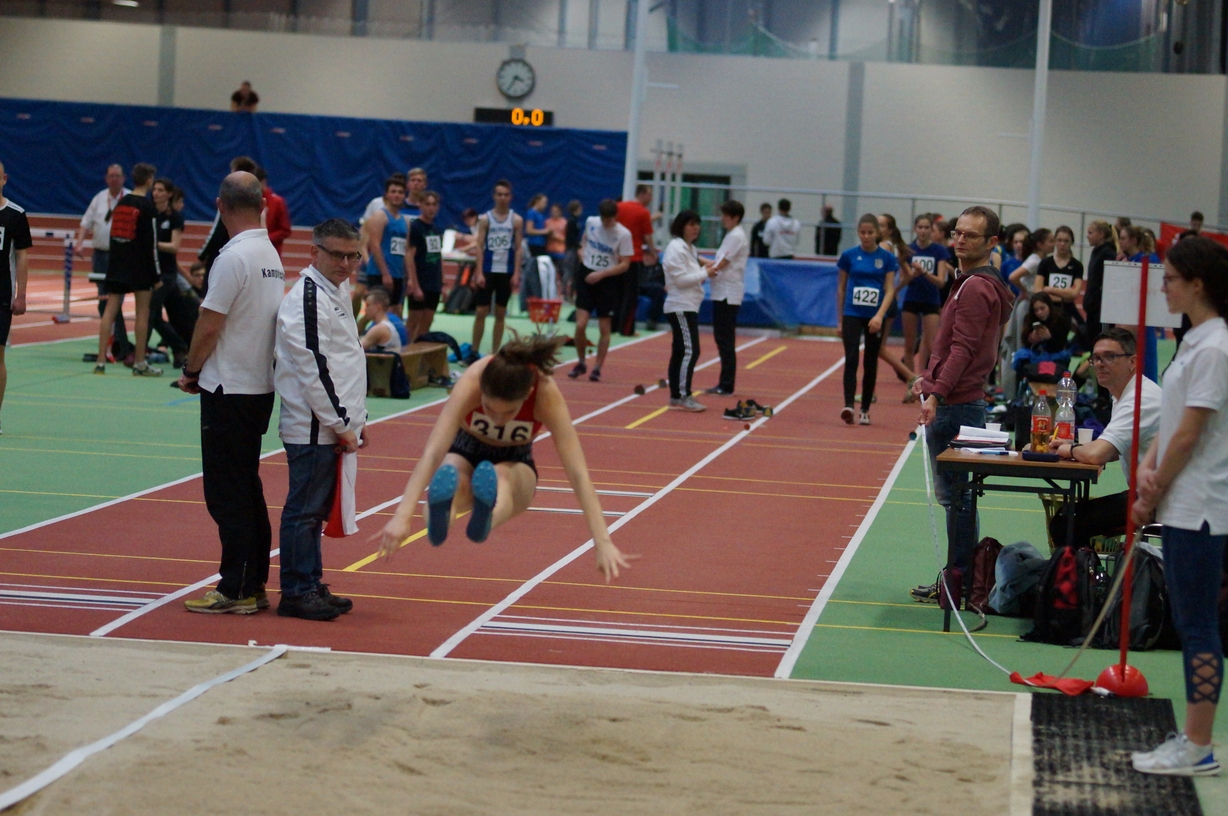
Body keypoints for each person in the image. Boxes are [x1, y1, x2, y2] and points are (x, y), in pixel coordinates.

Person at [373, 334, 633, 583]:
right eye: (488, 408)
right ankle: (442, 515)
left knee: (501, 477)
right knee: (452, 474)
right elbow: (432, 452)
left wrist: (603, 541)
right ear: (482, 388)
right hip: (465, 448)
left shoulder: (544, 392)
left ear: (527, 393)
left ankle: (485, 515)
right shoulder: (472, 380)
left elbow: (577, 472)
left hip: (515, 459)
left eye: (509, 412)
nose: (498, 420)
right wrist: (402, 516)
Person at [1130, 236, 1228, 777]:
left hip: (1201, 505)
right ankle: (1193, 738)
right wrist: (1147, 466)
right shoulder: (1193, 341)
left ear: (1196, 283)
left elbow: (1190, 435)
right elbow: (1171, 421)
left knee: (1197, 625)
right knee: (1193, 621)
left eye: (1169, 279)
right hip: (1179, 499)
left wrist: (1154, 488)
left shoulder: (1215, 347)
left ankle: (1198, 744)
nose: (1163, 287)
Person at [179, 171, 286, 615]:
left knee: (227, 493)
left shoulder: (233, 257)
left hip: (228, 386)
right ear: (262, 205)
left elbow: (210, 323)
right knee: (247, 486)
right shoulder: (270, 254)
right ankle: (253, 581)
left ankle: (236, 586)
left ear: (220, 206)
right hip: (258, 385)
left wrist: (191, 369)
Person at [910, 206, 1013, 603]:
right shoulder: (975, 282)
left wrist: (937, 394)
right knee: (960, 498)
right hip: (960, 399)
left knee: (957, 499)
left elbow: (964, 349)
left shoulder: (975, 288)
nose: (960, 240)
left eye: (971, 235)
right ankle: (962, 578)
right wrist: (930, 379)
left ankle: (960, 581)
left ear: (992, 242)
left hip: (957, 405)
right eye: (957, 233)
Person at [274, 219, 366, 621]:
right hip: (313, 427)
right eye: (337, 255)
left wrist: (357, 418)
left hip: (333, 423)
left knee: (314, 512)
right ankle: (296, 591)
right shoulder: (307, 297)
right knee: (304, 511)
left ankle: (310, 582)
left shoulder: (337, 289)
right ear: (314, 252)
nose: (346, 263)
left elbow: (346, 359)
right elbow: (313, 368)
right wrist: (342, 424)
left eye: (352, 255)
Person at [1048, 328, 1160, 549]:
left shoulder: (1140, 399)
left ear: (1133, 362)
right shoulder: (1124, 394)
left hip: (1164, 501)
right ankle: (1088, 569)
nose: (1100, 364)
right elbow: (1111, 449)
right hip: (1151, 494)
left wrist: (1070, 449)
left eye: (1110, 357)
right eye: (1096, 358)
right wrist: (1084, 450)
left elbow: (1099, 454)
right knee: (1070, 517)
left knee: (1066, 522)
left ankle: (1085, 571)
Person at [94, 162, 161, 377]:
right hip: (140, 267)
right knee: (142, 312)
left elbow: (114, 236)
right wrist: (156, 275)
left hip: (117, 264)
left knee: (110, 310)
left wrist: (113, 266)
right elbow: (151, 245)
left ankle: (100, 361)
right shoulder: (148, 208)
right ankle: (139, 363)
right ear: (149, 180)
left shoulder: (121, 203)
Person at [836, 214, 898, 426]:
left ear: (877, 233)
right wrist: (840, 320)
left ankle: (865, 409)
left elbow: (890, 290)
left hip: (875, 316)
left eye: (870, 232)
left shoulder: (887, 258)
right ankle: (848, 405)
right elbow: (841, 288)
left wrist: (880, 315)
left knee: (870, 361)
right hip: (852, 313)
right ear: (858, 232)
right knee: (851, 357)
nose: (866, 236)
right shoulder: (849, 256)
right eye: (862, 232)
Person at [568, 199, 632, 383]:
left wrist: (602, 274)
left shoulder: (623, 234)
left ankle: (597, 368)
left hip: (607, 281)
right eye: (603, 219)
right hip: (586, 275)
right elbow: (584, 240)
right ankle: (581, 362)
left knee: (604, 327)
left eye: (609, 220)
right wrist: (582, 252)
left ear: (615, 216)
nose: (606, 223)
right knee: (580, 324)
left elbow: (625, 264)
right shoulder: (591, 222)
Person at [75, 164, 130, 351]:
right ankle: (112, 339)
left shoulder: (129, 198)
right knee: (104, 299)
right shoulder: (99, 198)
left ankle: (120, 342)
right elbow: (85, 222)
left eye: (118, 176)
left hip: (121, 256)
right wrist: (79, 243)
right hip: (100, 255)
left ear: (123, 178)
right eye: (111, 176)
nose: (114, 179)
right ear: (106, 179)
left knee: (116, 300)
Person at [662, 210, 713, 412]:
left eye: (697, 224)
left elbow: (692, 274)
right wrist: (705, 272)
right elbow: (681, 280)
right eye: (691, 224)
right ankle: (684, 395)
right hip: (680, 305)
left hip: (689, 304)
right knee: (691, 350)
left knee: (680, 351)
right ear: (681, 226)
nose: (696, 228)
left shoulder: (690, 249)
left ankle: (676, 396)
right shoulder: (676, 248)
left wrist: (705, 271)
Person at [471, 180, 523, 359]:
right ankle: (474, 351)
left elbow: (518, 248)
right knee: (481, 311)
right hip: (487, 270)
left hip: (506, 271)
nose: (502, 198)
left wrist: (516, 273)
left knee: (500, 313)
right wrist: (478, 272)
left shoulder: (516, 220)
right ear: (494, 196)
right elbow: (479, 246)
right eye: (499, 194)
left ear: (510, 197)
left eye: (506, 195)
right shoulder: (485, 219)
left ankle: (495, 353)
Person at [703, 200, 749, 396]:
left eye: (725, 215)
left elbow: (720, 264)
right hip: (722, 291)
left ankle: (727, 383)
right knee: (722, 338)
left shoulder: (736, 236)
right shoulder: (731, 235)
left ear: (735, 217)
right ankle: (725, 382)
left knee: (725, 339)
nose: (722, 218)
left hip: (728, 293)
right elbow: (717, 262)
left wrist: (699, 268)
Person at [0, 161, 32, 436]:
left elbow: (21, 257)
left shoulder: (15, 214)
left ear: (4, 179)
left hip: (1, 296)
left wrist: (21, 294)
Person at [198, 156, 258, 292]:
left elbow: (217, 230)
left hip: (225, 253)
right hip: (248, 254)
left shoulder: (228, 199)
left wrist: (203, 254)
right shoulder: (257, 200)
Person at [901, 213, 951, 379]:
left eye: (926, 227)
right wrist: (912, 275)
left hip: (931, 300)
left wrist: (924, 272)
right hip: (911, 299)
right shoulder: (908, 250)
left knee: (933, 346)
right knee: (909, 346)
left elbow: (941, 282)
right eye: (920, 227)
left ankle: (935, 382)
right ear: (915, 229)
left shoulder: (939, 251)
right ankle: (911, 382)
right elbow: (902, 281)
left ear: (931, 230)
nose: (923, 231)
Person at [148, 178, 189, 367]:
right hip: (150, 272)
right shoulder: (149, 213)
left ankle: (178, 347)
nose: (156, 193)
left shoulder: (174, 217)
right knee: (171, 315)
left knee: (151, 312)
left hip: (166, 273)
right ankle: (179, 348)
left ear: (169, 194)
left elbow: (174, 246)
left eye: (160, 190)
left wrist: (153, 244)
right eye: (154, 189)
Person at [614, 184, 656, 336]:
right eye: (649, 194)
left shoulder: (619, 207)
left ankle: (614, 325)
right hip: (633, 257)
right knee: (631, 295)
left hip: (617, 257)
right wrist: (653, 252)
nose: (651, 198)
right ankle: (627, 329)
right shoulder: (643, 212)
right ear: (642, 194)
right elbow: (647, 236)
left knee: (617, 292)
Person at [365, 175, 410, 309]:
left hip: (398, 273)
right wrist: (385, 274)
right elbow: (375, 245)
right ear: (387, 195)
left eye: (400, 192)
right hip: (379, 273)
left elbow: (406, 250)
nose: (397, 195)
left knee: (394, 310)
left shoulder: (405, 221)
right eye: (393, 192)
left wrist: (409, 277)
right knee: (376, 311)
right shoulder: (380, 216)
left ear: (404, 195)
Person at [406, 190, 445, 342]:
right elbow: (410, 256)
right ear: (420, 205)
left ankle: (419, 351)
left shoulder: (436, 229)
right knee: (413, 321)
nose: (431, 208)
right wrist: (414, 284)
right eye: (427, 204)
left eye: (434, 204)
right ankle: (405, 351)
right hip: (421, 280)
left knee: (427, 322)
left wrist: (442, 283)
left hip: (433, 283)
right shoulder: (415, 227)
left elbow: (438, 257)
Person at [1037, 225, 1085, 332]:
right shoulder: (1045, 263)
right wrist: (1064, 295)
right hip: (1048, 307)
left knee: (1083, 329)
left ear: (1071, 243)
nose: (1062, 244)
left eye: (1066, 241)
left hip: (1067, 308)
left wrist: (1049, 289)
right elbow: (1038, 290)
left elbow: (1074, 294)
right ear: (1055, 241)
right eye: (1059, 240)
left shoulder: (1077, 265)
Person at [254, 166, 291, 260]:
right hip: (251, 252)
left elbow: (285, 230)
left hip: (271, 254)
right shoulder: (247, 202)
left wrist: (266, 239)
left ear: (263, 182)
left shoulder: (277, 202)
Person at [359, 288, 403, 353]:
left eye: (368, 305)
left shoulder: (380, 329)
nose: (365, 309)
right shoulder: (386, 325)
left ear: (378, 307)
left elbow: (356, 349)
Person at [562, 199, 584, 300]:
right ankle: (564, 294)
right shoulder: (572, 222)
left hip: (573, 249)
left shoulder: (575, 221)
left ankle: (571, 294)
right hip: (571, 250)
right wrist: (578, 246)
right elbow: (571, 237)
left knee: (574, 272)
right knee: (568, 272)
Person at [524, 193, 549, 258]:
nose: (545, 205)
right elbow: (529, 230)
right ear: (537, 202)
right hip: (535, 244)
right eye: (544, 202)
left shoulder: (540, 214)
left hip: (541, 243)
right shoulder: (531, 212)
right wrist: (544, 231)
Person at [545, 203, 568, 268]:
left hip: (560, 251)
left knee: (560, 269)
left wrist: (556, 236)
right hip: (549, 250)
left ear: (560, 212)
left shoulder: (564, 222)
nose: (553, 213)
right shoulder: (547, 222)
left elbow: (567, 238)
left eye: (556, 211)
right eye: (552, 211)